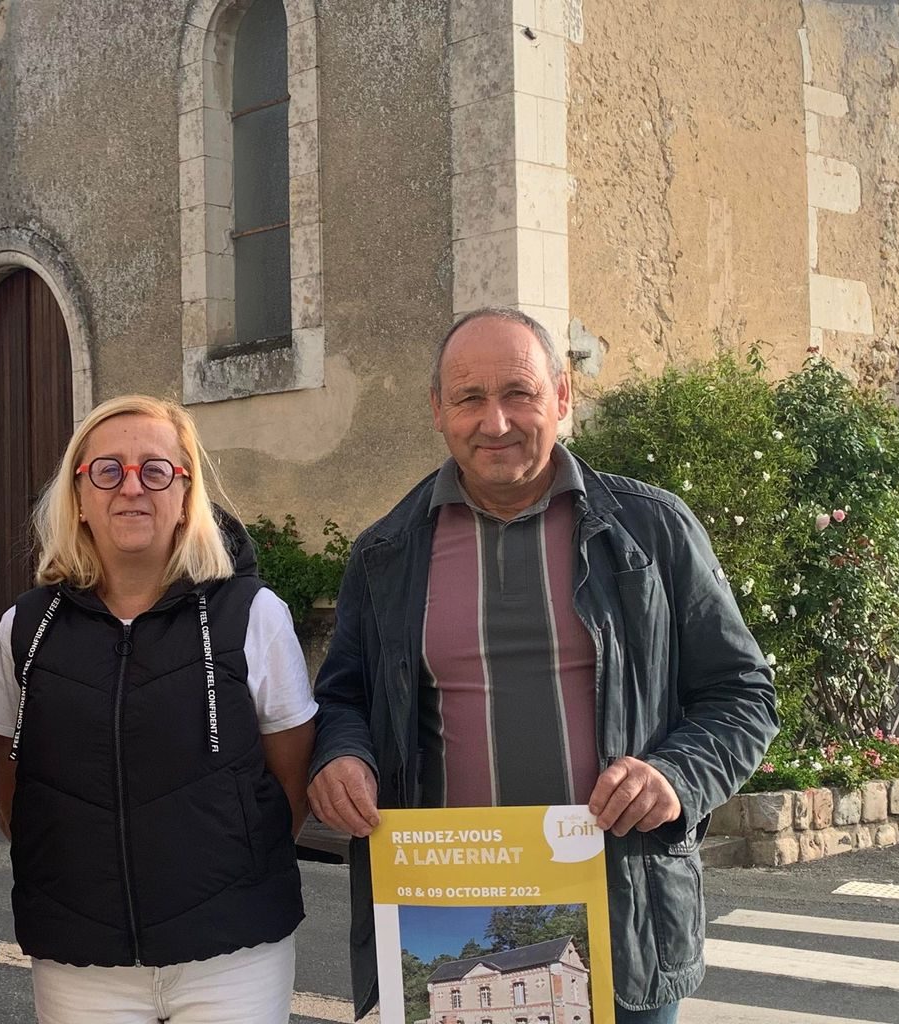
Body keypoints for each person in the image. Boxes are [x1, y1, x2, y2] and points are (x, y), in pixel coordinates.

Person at [307, 307, 778, 1023]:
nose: (494, 422)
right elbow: (345, 696)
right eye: (469, 398)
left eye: (518, 393)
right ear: (438, 410)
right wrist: (340, 756)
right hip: (446, 915)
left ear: (562, 397)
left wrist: (676, 775)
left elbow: (742, 694)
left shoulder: (652, 531)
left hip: (623, 918)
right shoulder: (387, 554)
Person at [0, 394, 317, 1024]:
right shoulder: (24, 627)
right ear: (78, 498)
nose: (131, 487)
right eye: (107, 470)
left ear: (186, 494)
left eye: (155, 470)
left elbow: (289, 780)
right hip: (82, 962)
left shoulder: (252, 614)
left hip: (233, 956)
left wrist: (234, 865)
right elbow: (10, 787)